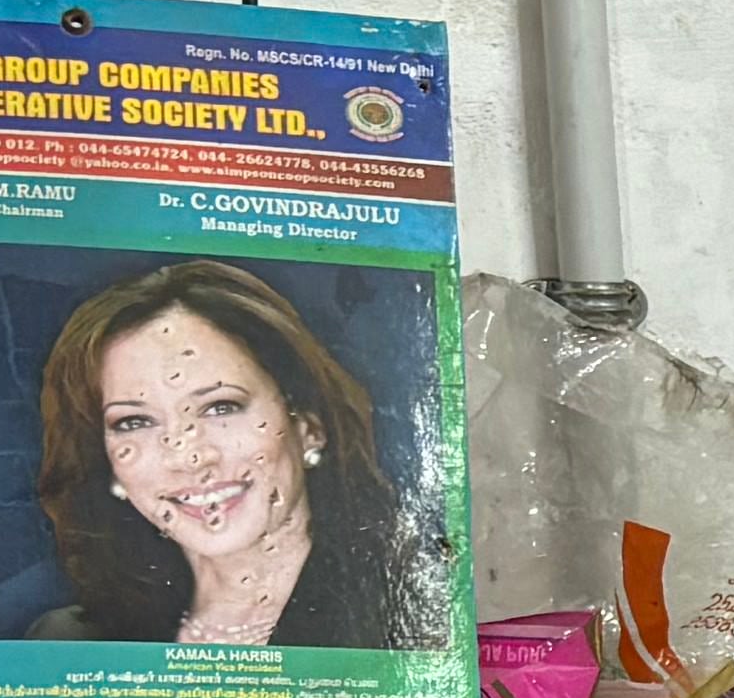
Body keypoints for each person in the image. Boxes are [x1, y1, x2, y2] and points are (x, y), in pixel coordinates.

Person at [28, 257, 432, 649]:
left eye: (221, 407)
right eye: (134, 422)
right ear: (109, 462)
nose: (189, 456)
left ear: (308, 426)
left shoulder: (406, 621)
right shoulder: (67, 643)